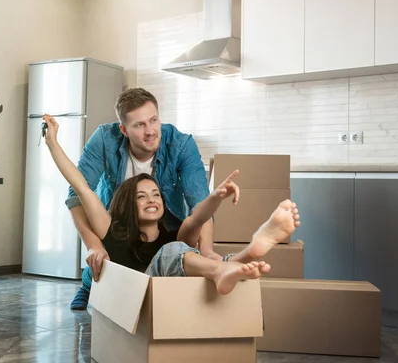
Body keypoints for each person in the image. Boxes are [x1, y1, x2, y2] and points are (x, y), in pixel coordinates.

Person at [42, 114, 301, 294]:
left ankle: (251, 251)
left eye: (155, 194)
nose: (152, 200)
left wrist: (215, 196)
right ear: (126, 205)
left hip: (176, 292)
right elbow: (81, 187)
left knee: (195, 252)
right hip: (139, 296)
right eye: (141, 197)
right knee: (174, 251)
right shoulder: (112, 231)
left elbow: (197, 218)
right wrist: (52, 142)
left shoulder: (173, 232)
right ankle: (226, 268)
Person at [65, 88, 227, 309]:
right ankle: (88, 285)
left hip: (165, 227)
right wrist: (94, 246)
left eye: (154, 120)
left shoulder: (181, 144)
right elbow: (77, 194)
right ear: (123, 129)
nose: (150, 131)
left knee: (173, 259)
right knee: (104, 264)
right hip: (118, 222)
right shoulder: (104, 138)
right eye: (139, 125)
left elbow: (199, 204)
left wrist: (206, 249)